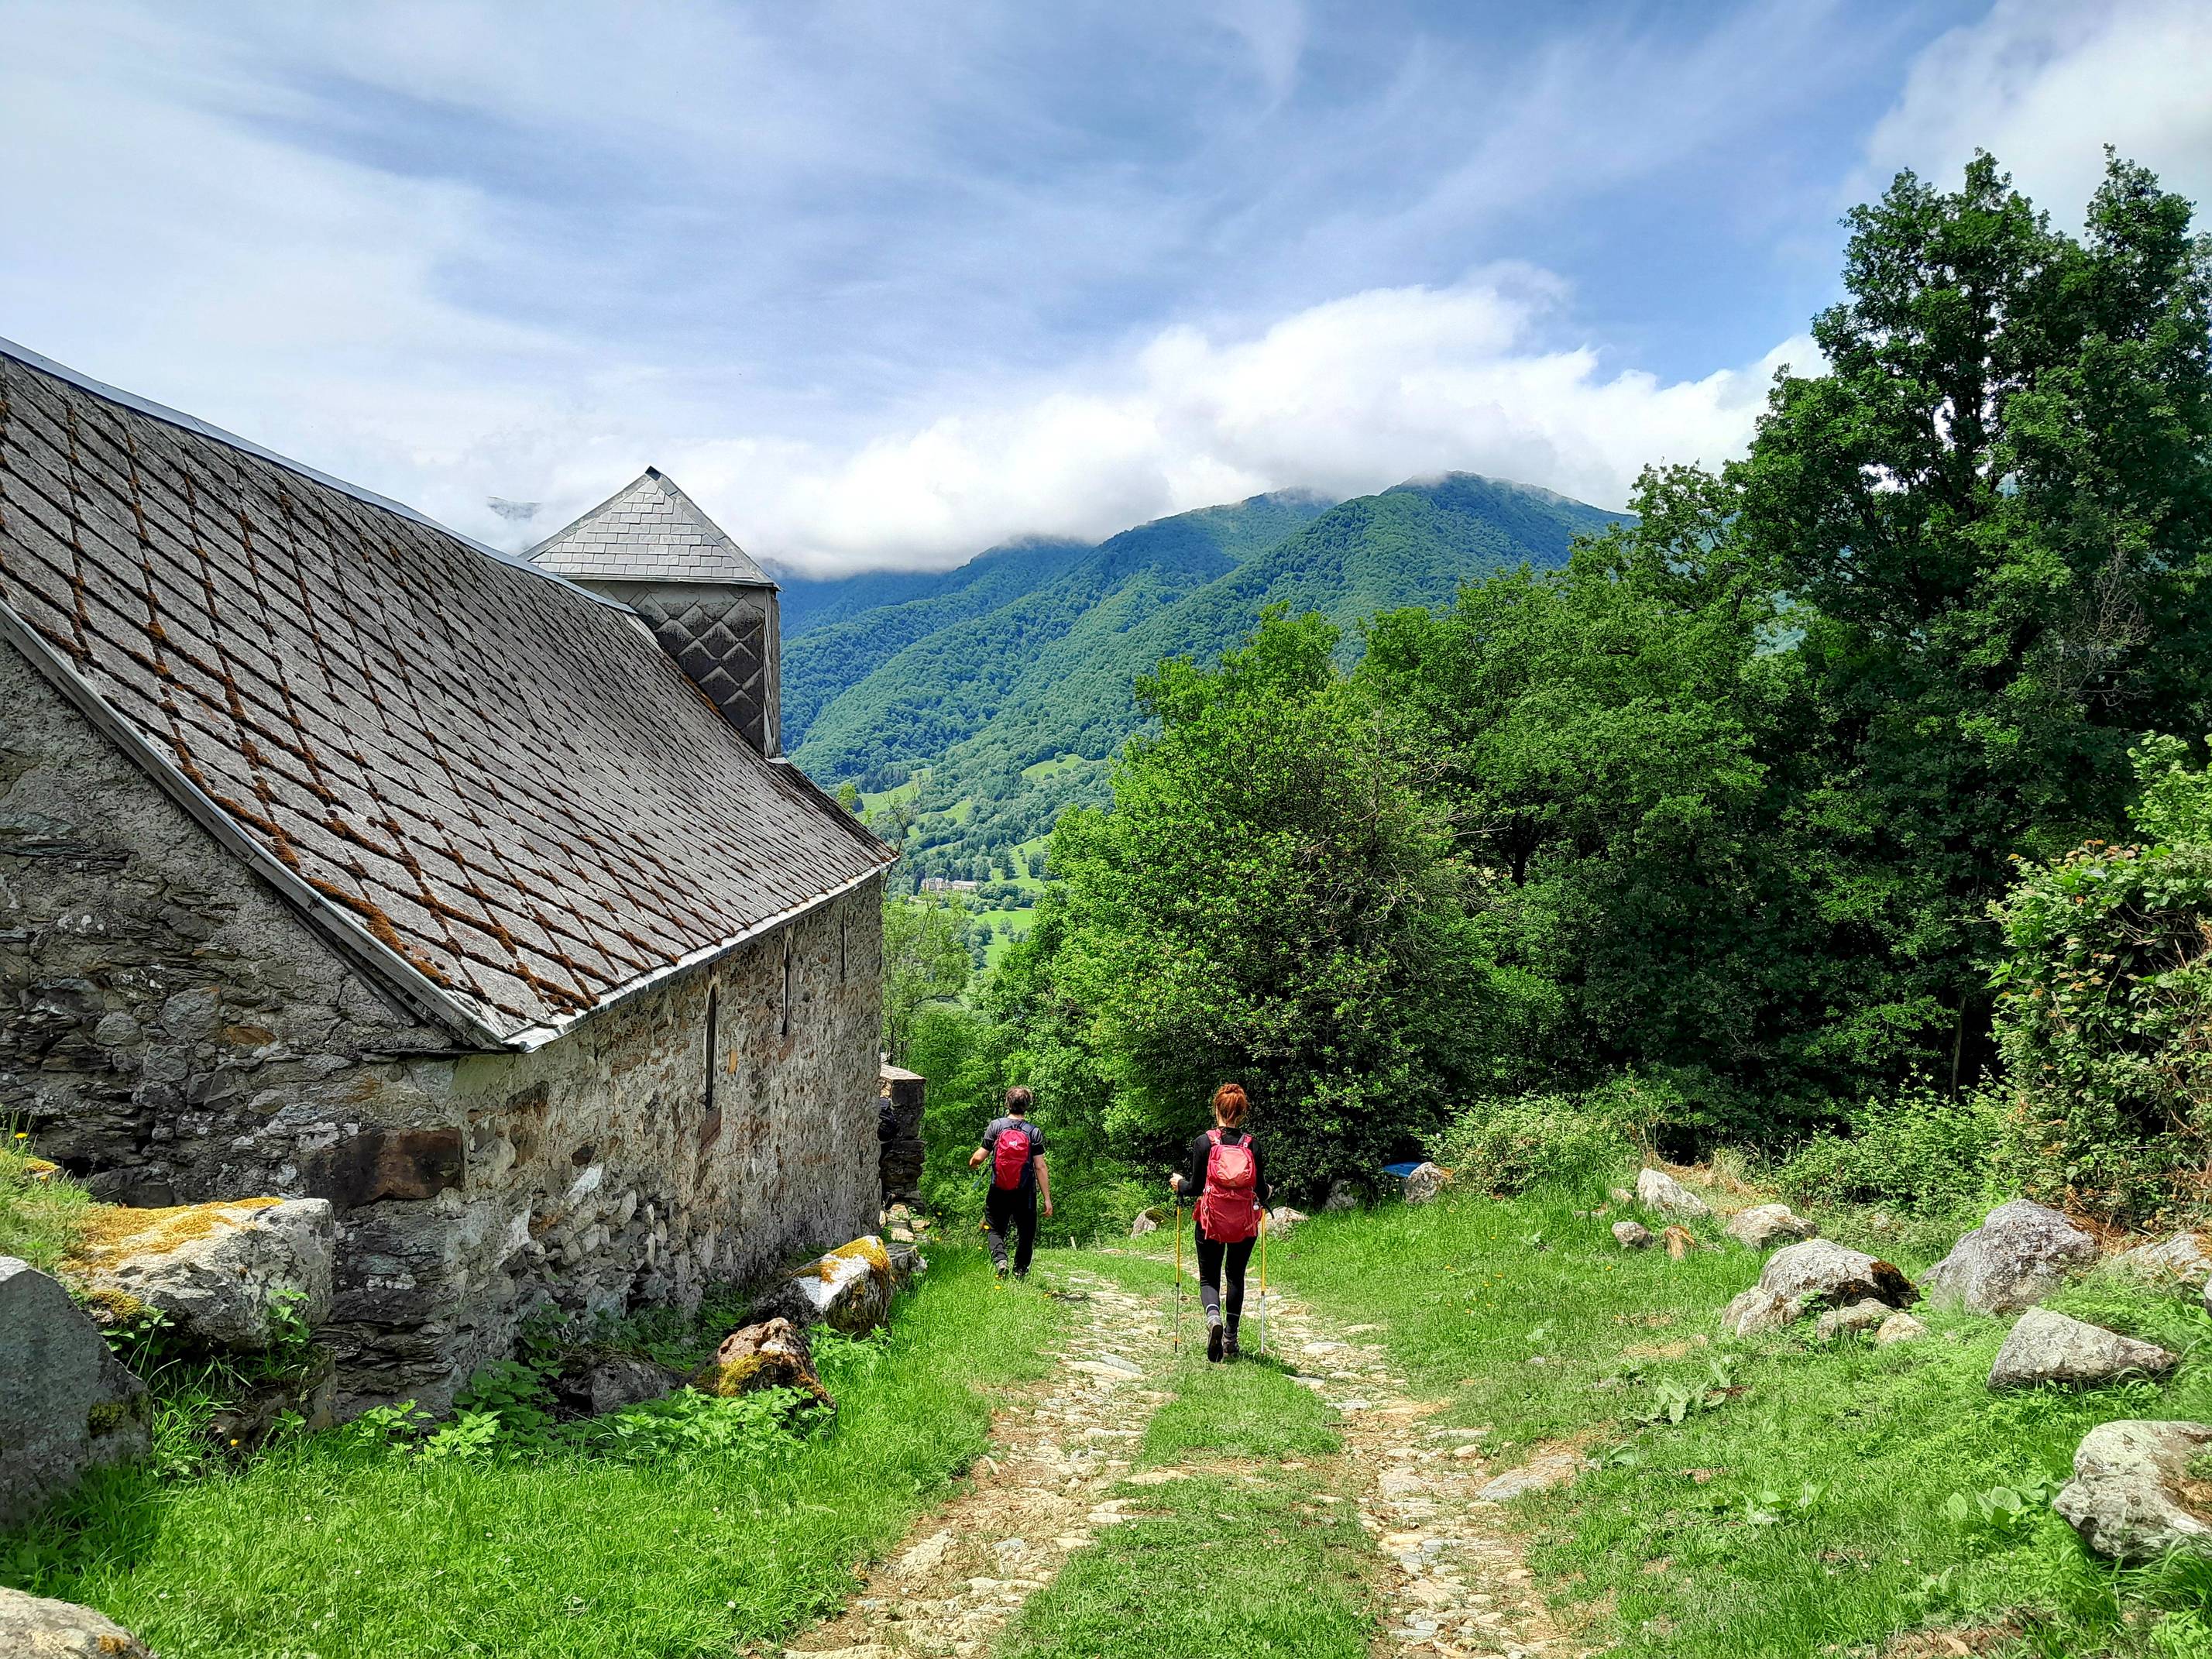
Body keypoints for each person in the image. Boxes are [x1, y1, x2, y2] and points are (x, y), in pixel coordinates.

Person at [1169, 1083, 1270, 1361]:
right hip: (1244, 1222)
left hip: (1210, 1219)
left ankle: (1213, 1318)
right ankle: (1230, 1338)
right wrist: (1268, 1192)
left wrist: (1179, 1184)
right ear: (1243, 1113)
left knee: (1209, 1277)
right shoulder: (1252, 1145)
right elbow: (1261, 1191)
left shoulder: (1204, 1142)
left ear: (1217, 1109)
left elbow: (1195, 1187)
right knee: (1235, 1275)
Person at [969, 1086, 1051, 1279]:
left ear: (1008, 1104)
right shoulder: (1034, 1132)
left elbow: (980, 1157)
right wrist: (1047, 1198)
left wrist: (972, 1162)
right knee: (1027, 1231)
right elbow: (1040, 1167)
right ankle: (1020, 1270)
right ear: (1027, 1106)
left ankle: (1000, 1260)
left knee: (994, 1227)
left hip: (999, 1188)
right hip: (1025, 1191)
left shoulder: (996, 1126)